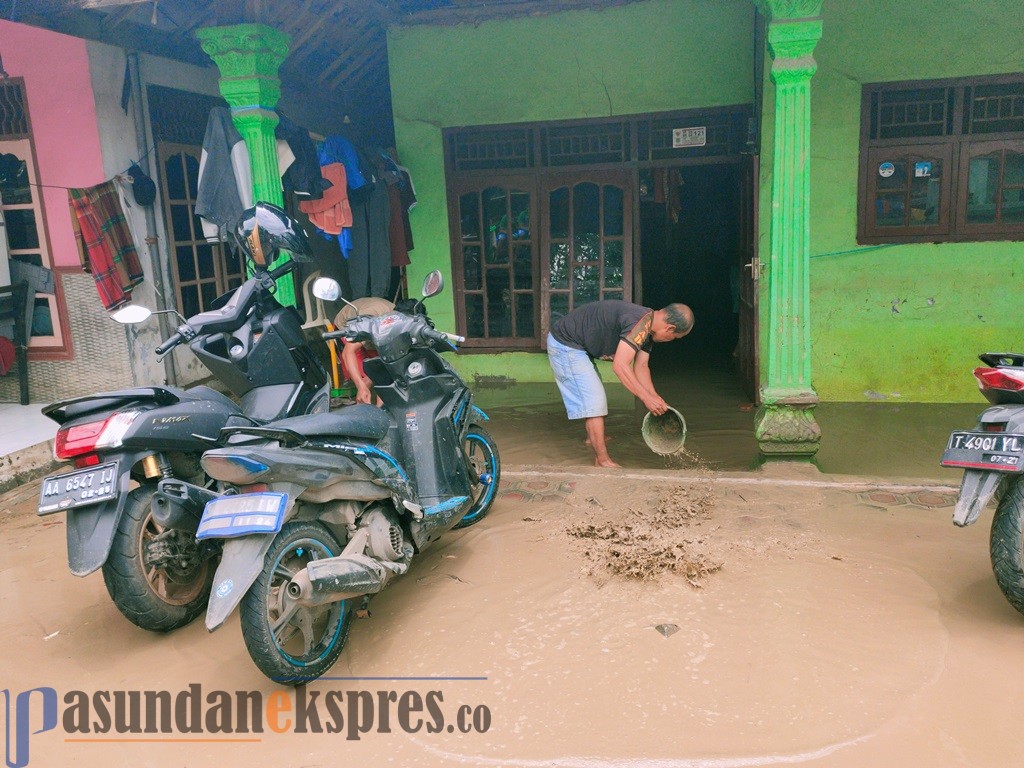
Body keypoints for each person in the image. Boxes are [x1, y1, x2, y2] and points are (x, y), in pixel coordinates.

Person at [547, 300, 694, 467]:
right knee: (593, 400)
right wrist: (645, 398)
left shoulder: (648, 327)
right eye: (675, 338)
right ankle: (602, 461)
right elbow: (620, 366)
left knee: (592, 396)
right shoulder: (639, 323)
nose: (671, 340)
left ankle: (593, 438)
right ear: (670, 329)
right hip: (566, 343)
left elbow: (641, 366)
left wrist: (655, 398)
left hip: (580, 345)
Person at [335, 297, 394, 405]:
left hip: (376, 326)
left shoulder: (400, 324)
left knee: (382, 371)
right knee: (363, 375)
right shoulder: (367, 323)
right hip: (348, 325)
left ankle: (381, 410)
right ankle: (362, 409)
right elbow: (347, 353)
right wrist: (361, 386)